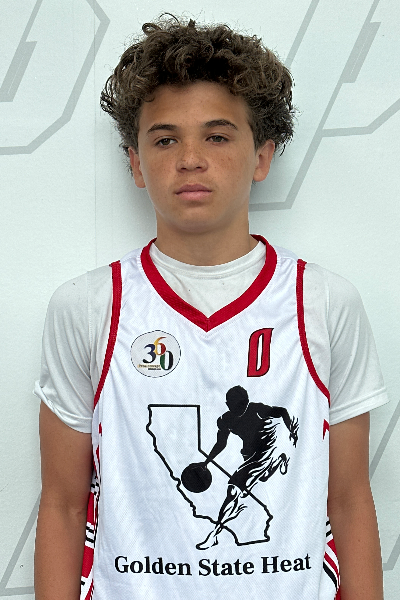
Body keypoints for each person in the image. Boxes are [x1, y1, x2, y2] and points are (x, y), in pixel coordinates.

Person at [34, 14, 388, 600]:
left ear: (262, 157)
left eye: (217, 136)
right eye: (165, 139)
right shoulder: (88, 307)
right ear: (135, 162)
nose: (190, 159)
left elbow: (349, 499)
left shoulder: (324, 302)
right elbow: (64, 505)